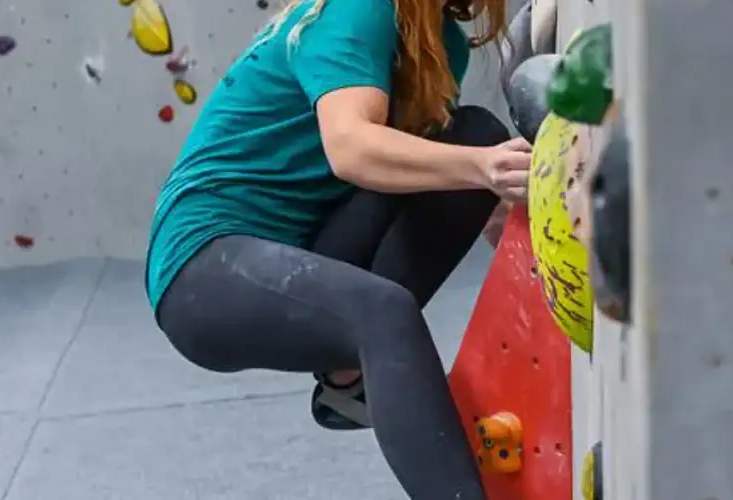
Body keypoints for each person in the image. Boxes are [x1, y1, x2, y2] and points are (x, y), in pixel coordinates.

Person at [143, 0, 523, 497]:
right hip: (203, 265)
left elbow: (417, 166)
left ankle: (345, 372)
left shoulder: (439, 42)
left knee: (474, 134)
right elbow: (351, 149)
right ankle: (356, 364)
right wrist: (483, 170)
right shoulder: (358, 8)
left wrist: (500, 209)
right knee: (383, 314)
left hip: (306, 241)